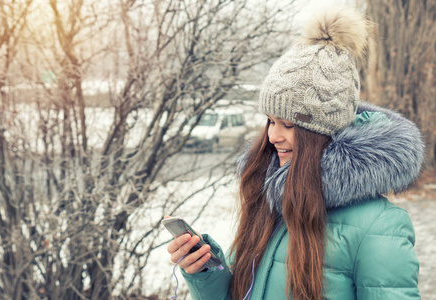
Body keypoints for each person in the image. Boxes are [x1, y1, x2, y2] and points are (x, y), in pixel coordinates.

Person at [166, 7, 423, 300]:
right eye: (271, 121)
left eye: (289, 124)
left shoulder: (379, 226)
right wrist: (205, 272)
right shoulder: (269, 198)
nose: (273, 136)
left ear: (324, 132)